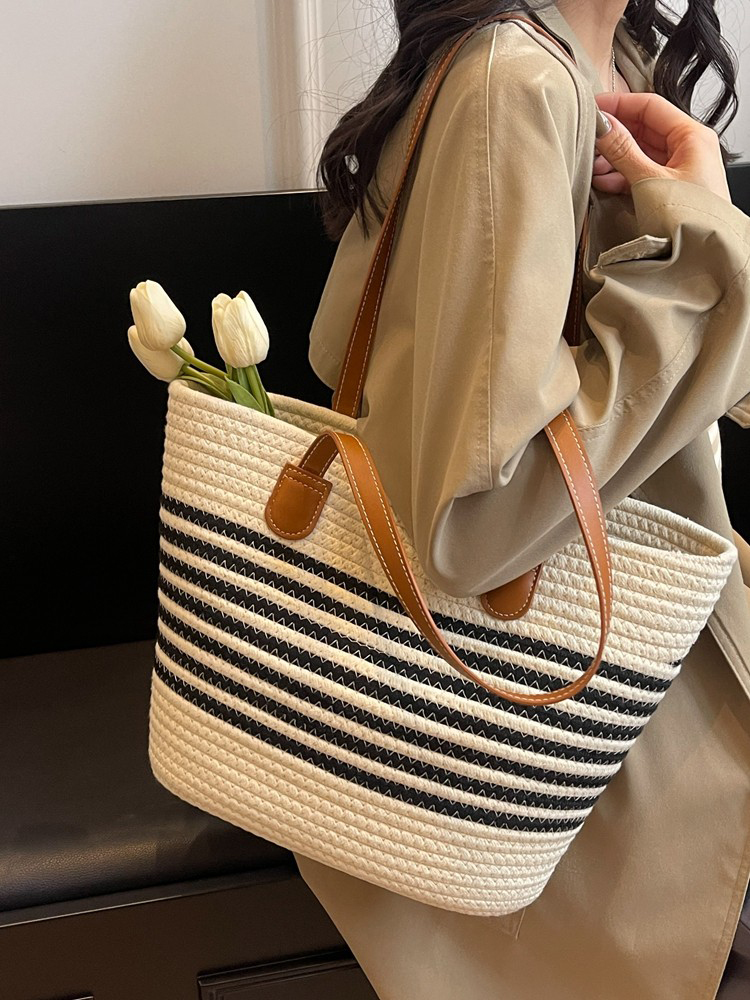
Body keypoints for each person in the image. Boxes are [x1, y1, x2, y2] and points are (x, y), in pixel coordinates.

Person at [299, 3, 750, 997]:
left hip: (651, 684)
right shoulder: (517, 80)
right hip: (592, 743)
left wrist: (704, 237)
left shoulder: (616, 53)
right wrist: (704, 260)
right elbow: (476, 519)